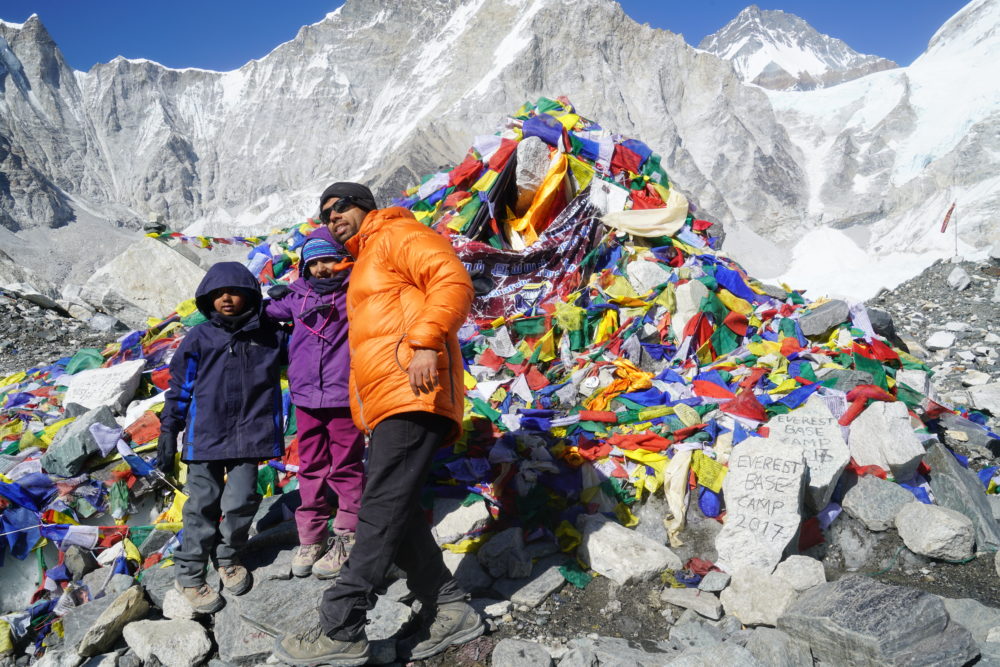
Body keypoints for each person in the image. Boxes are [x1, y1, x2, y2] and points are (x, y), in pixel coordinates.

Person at [274, 182, 481, 666]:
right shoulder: (364, 258)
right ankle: (449, 606)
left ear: (365, 206)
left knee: (379, 509)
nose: (331, 217)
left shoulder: (396, 234)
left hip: (413, 389)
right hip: (389, 399)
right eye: (324, 214)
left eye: (338, 207)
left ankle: (341, 626)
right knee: (393, 508)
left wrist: (426, 342)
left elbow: (452, 280)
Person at [157, 261, 287, 614]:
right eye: (217, 294)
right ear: (207, 299)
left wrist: (296, 305)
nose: (226, 299)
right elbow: (180, 387)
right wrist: (169, 429)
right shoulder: (199, 337)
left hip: (251, 433)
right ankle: (189, 574)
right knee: (202, 504)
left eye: (234, 292)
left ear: (250, 296)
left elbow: (304, 352)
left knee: (242, 500)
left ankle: (227, 557)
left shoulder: (270, 335)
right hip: (206, 434)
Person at [264, 229, 365, 578]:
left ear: (343, 260)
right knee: (310, 465)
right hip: (306, 396)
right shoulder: (297, 297)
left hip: (342, 395)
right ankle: (311, 536)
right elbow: (265, 312)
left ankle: (348, 532)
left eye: (329, 260)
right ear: (305, 267)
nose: (322, 268)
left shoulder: (357, 292)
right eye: (314, 263)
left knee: (346, 465)